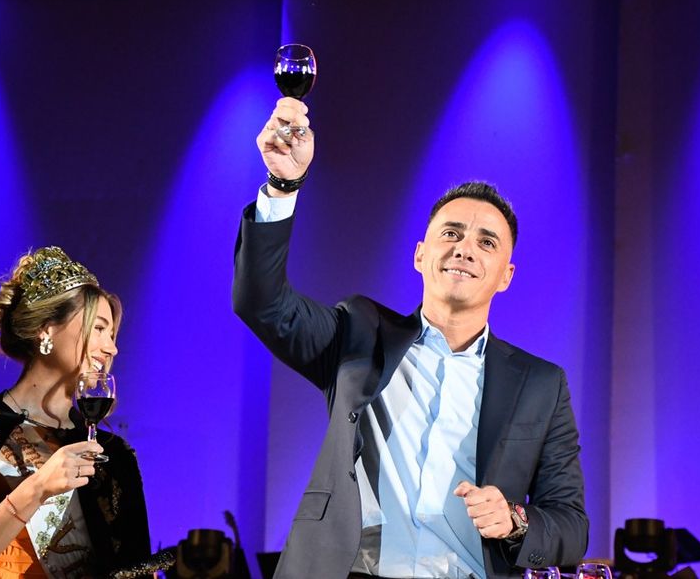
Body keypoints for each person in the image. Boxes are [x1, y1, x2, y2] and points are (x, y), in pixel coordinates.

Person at [232, 97, 588, 579]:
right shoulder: (358, 334)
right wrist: (283, 185)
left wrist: (515, 521)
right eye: (451, 234)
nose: (465, 249)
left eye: (487, 242)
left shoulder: (542, 385)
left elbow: (570, 524)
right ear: (420, 255)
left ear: (506, 275)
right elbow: (262, 303)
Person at [0, 246, 158, 579]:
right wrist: (37, 488)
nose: (111, 348)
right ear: (46, 329)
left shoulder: (114, 456)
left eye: (112, 334)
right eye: (98, 329)